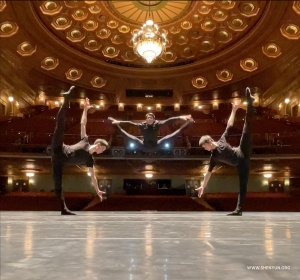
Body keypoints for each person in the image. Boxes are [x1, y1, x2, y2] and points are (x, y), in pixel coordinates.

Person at [196, 87, 255, 216]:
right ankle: (238, 210)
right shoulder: (214, 156)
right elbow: (208, 173)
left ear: (210, 142)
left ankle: (250, 102)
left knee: (246, 129)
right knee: (242, 186)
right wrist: (203, 186)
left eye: (204, 146)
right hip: (241, 164)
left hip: (241, 151)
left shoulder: (222, 140)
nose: (204, 149)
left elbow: (229, 124)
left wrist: (234, 109)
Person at [51, 86, 109, 215]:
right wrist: (85, 110)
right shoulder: (85, 141)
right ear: (98, 145)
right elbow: (83, 123)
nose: (102, 152)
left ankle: (63, 210)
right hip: (59, 148)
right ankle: (66, 99)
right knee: (60, 124)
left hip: (58, 162)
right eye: (103, 149)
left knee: (58, 187)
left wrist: (98, 190)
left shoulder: (90, 160)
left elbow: (93, 177)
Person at [108, 113, 194, 153]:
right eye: (148, 118)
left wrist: (181, 117)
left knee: (172, 135)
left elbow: (169, 120)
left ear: (153, 119)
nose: (149, 119)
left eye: (151, 118)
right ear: (146, 119)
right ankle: (114, 124)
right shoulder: (142, 125)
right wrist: (118, 122)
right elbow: (130, 123)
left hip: (156, 146)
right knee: (128, 136)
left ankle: (188, 123)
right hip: (143, 146)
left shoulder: (157, 124)